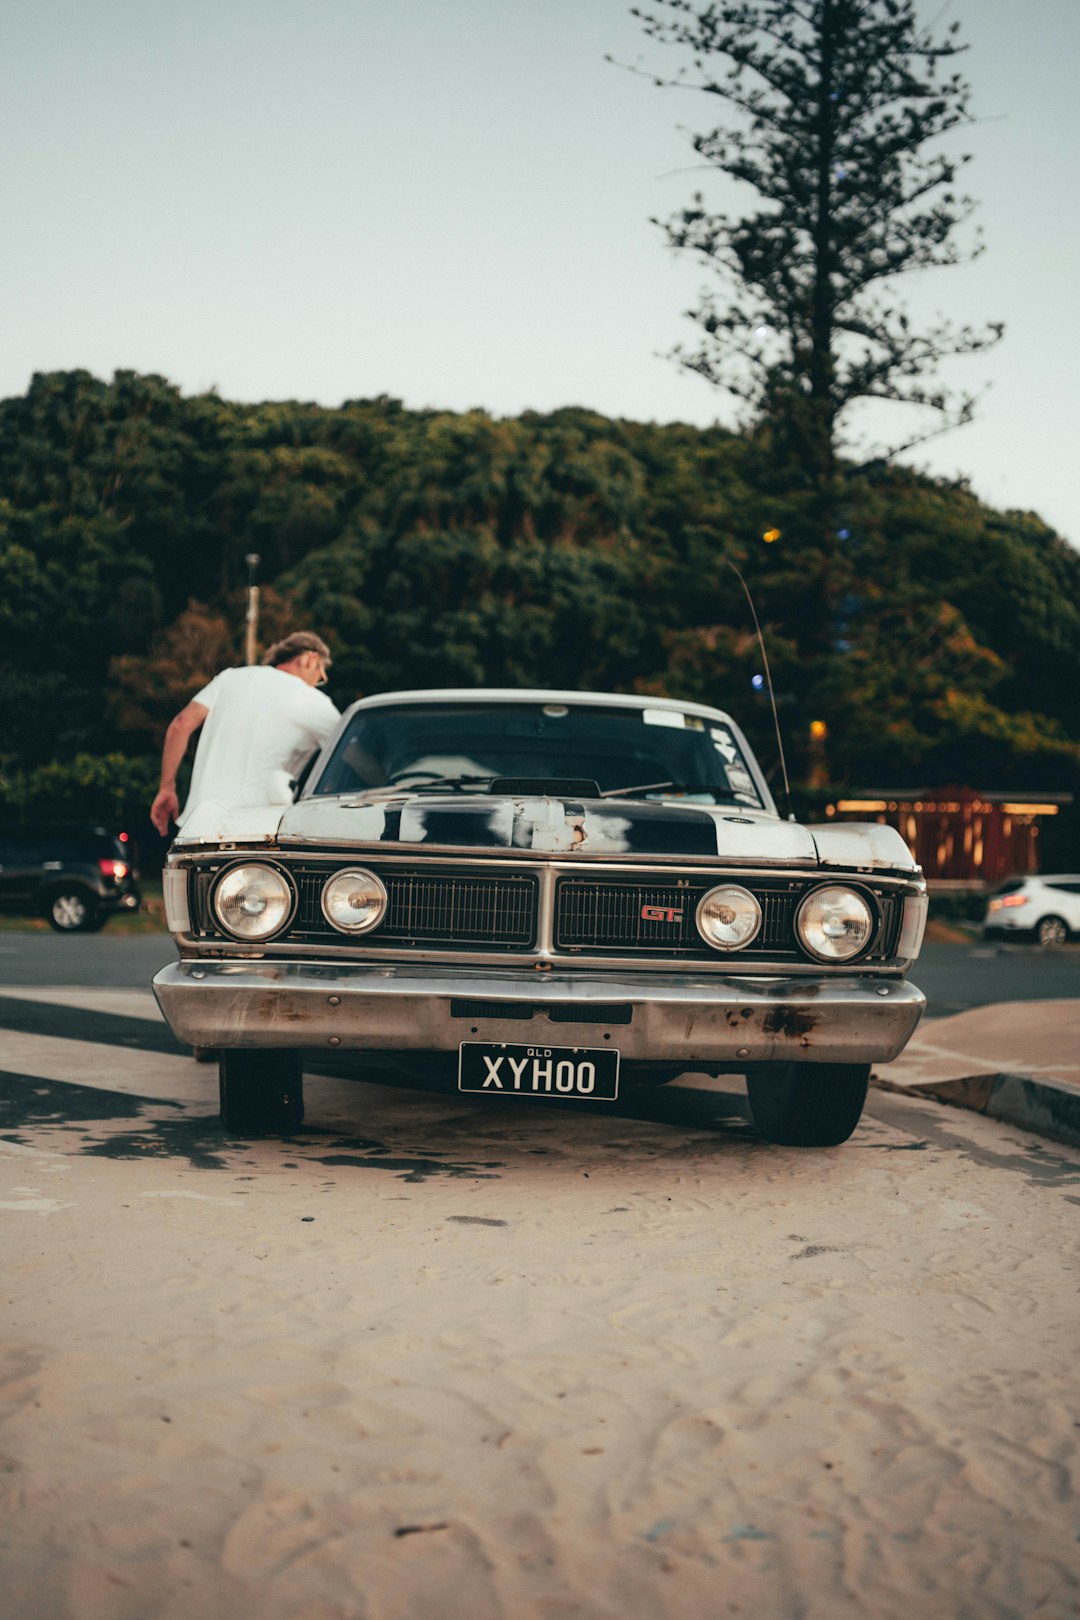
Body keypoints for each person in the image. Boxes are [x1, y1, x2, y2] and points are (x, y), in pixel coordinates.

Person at [150, 632, 341, 837]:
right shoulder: (314, 702)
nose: (318, 682)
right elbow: (350, 751)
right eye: (321, 675)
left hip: (199, 827)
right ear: (310, 658)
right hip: (260, 831)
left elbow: (180, 724)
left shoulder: (229, 678)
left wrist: (167, 788)